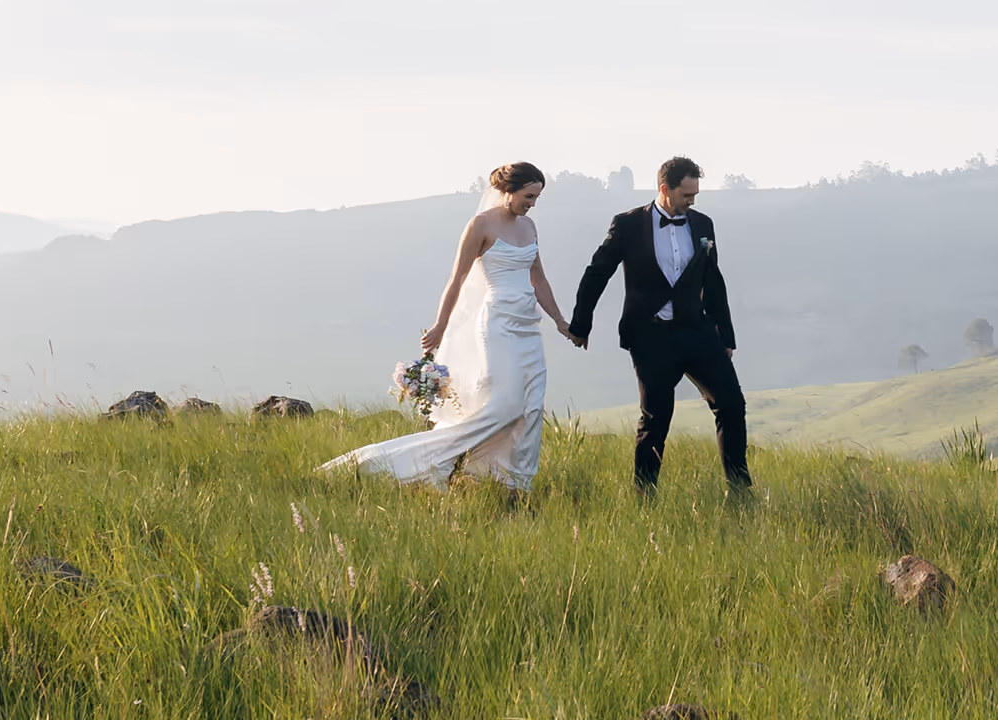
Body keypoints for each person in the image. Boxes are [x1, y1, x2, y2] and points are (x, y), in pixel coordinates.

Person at [320, 161, 573, 491]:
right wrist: (440, 325)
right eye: (529, 196)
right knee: (506, 404)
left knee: (531, 406)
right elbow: (457, 280)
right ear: (509, 191)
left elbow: (538, 278)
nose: (533, 203)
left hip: (528, 325)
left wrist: (559, 320)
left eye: (537, 197)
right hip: (497, 323)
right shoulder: (480, 225)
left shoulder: (530, 228)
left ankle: (512, 484)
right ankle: (416, 459)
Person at [567, 155, 750, 495]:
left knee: (732, 404)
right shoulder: (628, 225)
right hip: (650, 337)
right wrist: (581, 325)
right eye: (686, 195)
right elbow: (597, 272)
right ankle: (645, 496)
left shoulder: (703, 225)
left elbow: (713, 280)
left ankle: (739, 490)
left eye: (695, 195)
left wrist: (725, 334)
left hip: (697, 331)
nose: (691, 202)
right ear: (664, 189)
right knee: (656, 419)